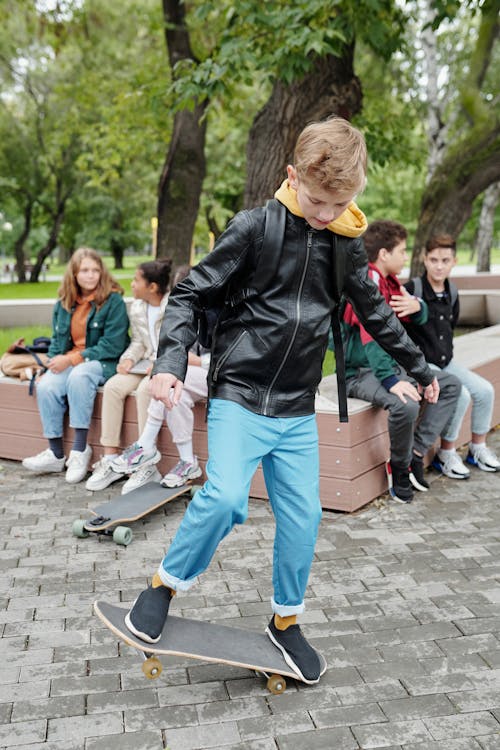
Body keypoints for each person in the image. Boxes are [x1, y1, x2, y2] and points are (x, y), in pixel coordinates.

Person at [123, 117, 440, 686]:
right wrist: (169, 363)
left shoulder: (345, 242)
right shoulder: (255, 228)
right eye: (317, 201)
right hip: (240, 395)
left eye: (339, 202)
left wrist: (420, 367)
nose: (325, 213)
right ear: (292, 176)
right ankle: (163, 586)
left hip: (295, 405)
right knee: (223, 500)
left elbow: (374, 313)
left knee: (304, 517)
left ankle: (285, 620)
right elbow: (190, 294)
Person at [343, 220, 461, 503]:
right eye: (402, 251)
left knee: (449, 385)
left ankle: (415, 454)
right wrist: (391, 380)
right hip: (359, 371)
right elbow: (372, 332)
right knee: (405, 404)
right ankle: (398, 467)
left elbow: (414, 318)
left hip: (388, 365)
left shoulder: (389, 281)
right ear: (384, 254)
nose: (406, 257)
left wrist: (419, 306)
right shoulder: (366, 282)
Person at [22, 247, 129, 484]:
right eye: (85, 270)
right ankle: (56, 454)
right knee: (47, 385)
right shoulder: (64, 303)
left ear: (102, 272)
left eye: (95, 270)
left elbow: (112, 345)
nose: (91, 275)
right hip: (72, 361)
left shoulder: (113, 302)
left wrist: (70, 360)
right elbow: (57, 343)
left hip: (103, 362)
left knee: (80, 375)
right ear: (74, 273)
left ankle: (80, 451)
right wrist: (48, 366)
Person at [105, 264, 209, 494]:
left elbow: (229, 356)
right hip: (192, 378)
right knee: (173, 395)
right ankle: (188, 463)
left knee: (166, 376)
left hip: (221, 377)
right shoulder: (186, 314)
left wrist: (198, 362)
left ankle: (145, 444)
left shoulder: (216, 312)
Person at [405, 234, 500, 477]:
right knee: (461, 393)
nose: (439, 265)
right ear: (424, 259)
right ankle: (446, 453)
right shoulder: (411, 290)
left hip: (446, 362)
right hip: (422, 364)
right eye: (434, 259)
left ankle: (477, 448)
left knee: (485, 390)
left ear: (454, 261)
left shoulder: (453, 292)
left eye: (445, 260)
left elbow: (450, 327)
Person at [85, 258, 172, 491]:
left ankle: (146, 462)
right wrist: (128, 359)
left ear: (152, 287)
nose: (131, 284)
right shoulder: (137, 307)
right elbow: (138, 342)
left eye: (136, 280)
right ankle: (111, 457)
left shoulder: (173, 306)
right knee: (113, 386)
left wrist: (160, 363)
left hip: (165, 366)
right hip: (144, 363)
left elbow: (178, 343)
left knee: (146, 390)